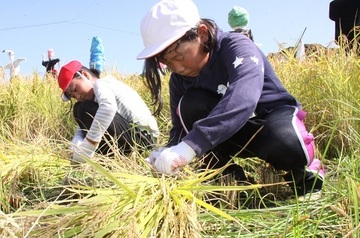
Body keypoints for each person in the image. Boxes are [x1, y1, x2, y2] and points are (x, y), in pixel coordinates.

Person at [137, 0, 325, 198]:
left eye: (179, 56)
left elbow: (243, 98)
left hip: (267, 123)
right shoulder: (179, 79)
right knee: (189, 106)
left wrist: (190, 147)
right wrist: (168, 152)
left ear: (201, 33)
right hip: (228, 135)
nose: (177, 67)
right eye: (167, 61)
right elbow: (180, 128)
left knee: (285, 139)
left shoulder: (237, 46)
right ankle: (229, 178)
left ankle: (304, 173)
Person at [57, 60, 159, 163]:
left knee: (83, 109)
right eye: (73, 96)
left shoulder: (102, 84)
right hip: (133, 137)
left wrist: (88, 146)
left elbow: (108, 108)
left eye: (75, 89)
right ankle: (109, 158)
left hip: (143, 139)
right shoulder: (94, 98)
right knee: (79, 108)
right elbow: (86, 123)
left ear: (85, 75)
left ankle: (102, 155)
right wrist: (78, 138)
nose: (78, 96)